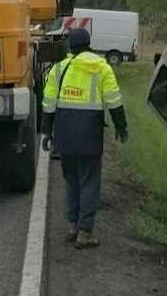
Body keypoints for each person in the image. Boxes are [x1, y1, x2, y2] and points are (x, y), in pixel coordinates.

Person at [41, 27, 128, 249]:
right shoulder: (102, 68)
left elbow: (49, 103)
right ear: (89, 44)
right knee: (89, 181)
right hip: (89, 134)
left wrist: (46, 132)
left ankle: (73, 225)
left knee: (71, 180)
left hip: (65, 134)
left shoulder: (59, 69)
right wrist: (122, 127)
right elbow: (114, 101)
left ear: (70, 47)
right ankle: (85, 231)